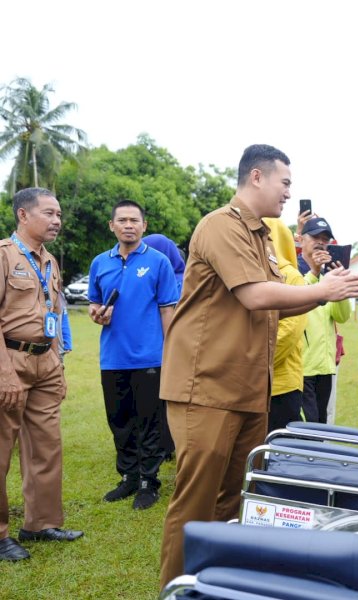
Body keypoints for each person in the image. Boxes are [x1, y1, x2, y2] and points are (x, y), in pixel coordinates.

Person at [158, 144, 358, 587]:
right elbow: (255, 295)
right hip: (207, 387)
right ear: (257, 177)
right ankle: (176, 590)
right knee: (194, 503)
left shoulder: (264, 236)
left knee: (231, 500)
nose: (289, 193)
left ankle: (209, 584)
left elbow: (277, 303)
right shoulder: (221, 226)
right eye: (285, 182)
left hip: (249, 387)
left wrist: (321, 286)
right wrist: (322, 291)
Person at [0, 187, 83, 562]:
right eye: (49, 213)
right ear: (23, 215)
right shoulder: (4, 256)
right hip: (10, 360)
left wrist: (57, 366)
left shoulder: (49, 261)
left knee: (46, 447)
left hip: (44, 362)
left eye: (59, 215)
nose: (57, 221)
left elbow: (53, 315)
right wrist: (4, 374)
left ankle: (40, 523)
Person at [88, 200, 180, 510]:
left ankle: (148, 482)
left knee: (150, 423)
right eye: (122, 220)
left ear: (144, 226)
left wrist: (173, 353)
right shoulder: (100, 263)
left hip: (151, 358)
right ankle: (128, 477)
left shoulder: (158, 263)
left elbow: (168, 310)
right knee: (120, 421)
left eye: (134, 220)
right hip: (112, 358)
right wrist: (96, 313)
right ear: (112, 226)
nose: (129, 225)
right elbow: (93, 303)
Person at [298, 216, 351, 424]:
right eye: (315, 237)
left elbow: (342, 316)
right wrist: (314, 272)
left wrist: (340, 284)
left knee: (320, 425)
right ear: (302, 240)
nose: (321, 242)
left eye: (325, 239)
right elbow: (294, 300)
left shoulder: (329, 274)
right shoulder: (293, 268)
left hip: (325, 366)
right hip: (301, 365)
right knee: (305, 427)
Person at [142, 232, 186, 461]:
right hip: (157, 347)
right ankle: (162, 445)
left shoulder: (182, 279)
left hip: (170, 346)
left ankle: (165, 446)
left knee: (165, 399)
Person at [262, 217, 307, 432]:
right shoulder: (254, 273)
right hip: (253, 384)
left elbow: (289, 332)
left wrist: (253, 362)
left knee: (277, 452)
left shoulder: (292, 277)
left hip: (281, 385)